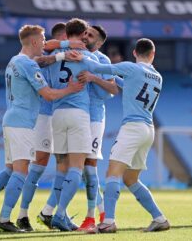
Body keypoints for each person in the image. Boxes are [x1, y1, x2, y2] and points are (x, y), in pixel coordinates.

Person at [0, 24, 83, 232]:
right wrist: (70, 89)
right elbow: (49, 95)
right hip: (22, 123)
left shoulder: (15, 61)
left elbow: (40, 62)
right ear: (35, 41)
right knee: (21, 172)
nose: (45, 44)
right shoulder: (28, 65)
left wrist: (60, 55)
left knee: (10, 170)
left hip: (11, 119)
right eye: (44, 39)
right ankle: (4, 219)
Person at [75, 38, 170, 233]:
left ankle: (108, 221)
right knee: (130, 179)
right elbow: (130, 86)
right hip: (148, 129)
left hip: (133, 127)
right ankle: (159, 218)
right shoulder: (157, 76)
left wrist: (79, 57)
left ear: (135, 53)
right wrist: (102, 79)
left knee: (112, 173)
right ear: (153, 55)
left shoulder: (130, 67)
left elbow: (97, 66)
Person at [16, 22, 80, 231]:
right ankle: (22, 214)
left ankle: (52, 211)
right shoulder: (43, 54)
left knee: (65, 165)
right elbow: (39, 60)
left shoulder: (71, 53)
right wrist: (62, 49)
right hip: (45, 113)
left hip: (61, 113)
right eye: (63, 39)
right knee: (39, 164)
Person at [47, 18, 99, 231]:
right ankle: (59, 214)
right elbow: (107, 73)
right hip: (78, 114)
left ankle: (61, 214)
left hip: (57, 113)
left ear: (66, 33)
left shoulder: (52, 56)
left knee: (61, 167)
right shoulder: (87, 56)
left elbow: (42, 62)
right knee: (77, 167)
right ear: (84, 33)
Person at [77, 25, 119, 231]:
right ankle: (102, 213)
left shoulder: (103, 60)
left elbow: (113, 89)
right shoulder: (75, 54)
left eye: (90, 35)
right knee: (82, 170)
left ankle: (90, 218)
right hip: (75, 117)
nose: (85, 36)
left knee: (89, 165)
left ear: (100, 42)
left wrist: (93, 78)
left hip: (94, 118)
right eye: (85, 33)